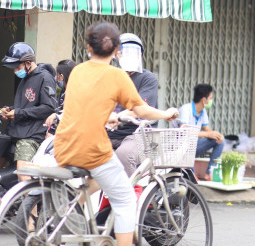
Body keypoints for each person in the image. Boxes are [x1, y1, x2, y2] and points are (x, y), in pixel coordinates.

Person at [54, 21, 178, 246]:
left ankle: (68, 213)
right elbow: (143, 110)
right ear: (116, 51)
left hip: (63, 145)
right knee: (126, 199)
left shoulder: (78, 70)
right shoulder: (116, 76)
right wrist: (167, 113)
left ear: (88, 48)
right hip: (92, 148)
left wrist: (109, 117)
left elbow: (84, 108)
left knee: (97, 179)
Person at [0, 42, 58, 180]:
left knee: (23, 173)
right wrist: (10, 110)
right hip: (14, 133)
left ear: (27, 63)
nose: (15, 71)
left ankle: (31, 195)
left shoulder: (45, 78)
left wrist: (18, 113)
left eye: (17, 67)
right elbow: (25, 106)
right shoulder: (25, 79)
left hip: (30, 136)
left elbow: (48, 107)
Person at [107, 33, 160, 176]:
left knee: (124, 155)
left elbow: (140, 108)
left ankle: (128, 190)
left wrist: (118, 117)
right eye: (124, 52)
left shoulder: (147, 78)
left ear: (139, 55)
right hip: (110, 132)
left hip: (138, 133)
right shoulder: (110, 77)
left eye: (134, 52)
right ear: (116, 55)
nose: (129, 56)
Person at [175, 84, 225, 181]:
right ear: (204, 100)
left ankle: (209, 172)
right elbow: (184, 131)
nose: (211, 101)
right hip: (180, 146)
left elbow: (207, 129)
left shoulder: (203, 112)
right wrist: (207, 134)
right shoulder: (186, 109)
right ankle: (190, 173)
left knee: (219, 141)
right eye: (210, 98)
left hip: (193, 145)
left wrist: (218, 136)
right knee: (192, 180)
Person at [44, 59, 78, 137]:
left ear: (62, 77)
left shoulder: (73, 94)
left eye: (57, 75)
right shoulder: (64, 92)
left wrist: (56, 116)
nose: (56, 78)